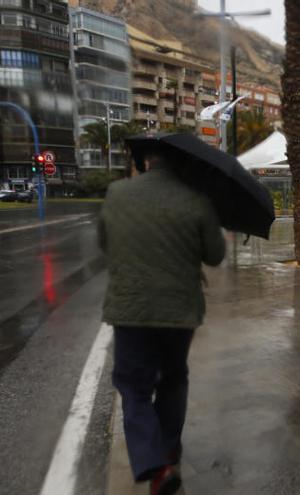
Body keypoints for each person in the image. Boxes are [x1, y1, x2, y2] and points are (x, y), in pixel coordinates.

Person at [98, 149, 225, 495]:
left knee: (134, 387)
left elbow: (104, 243)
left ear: (145, 163)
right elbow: (215, 255)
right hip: (179, 311)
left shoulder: (117, 193)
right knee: (172, 379)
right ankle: (168, 452)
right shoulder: (197, 200)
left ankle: (156, 465)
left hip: (131, 310)